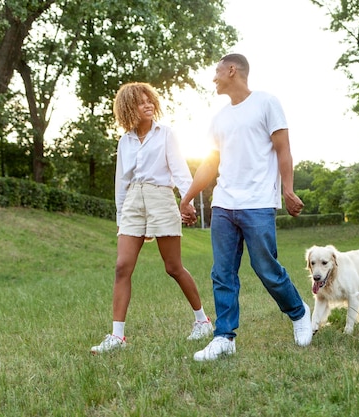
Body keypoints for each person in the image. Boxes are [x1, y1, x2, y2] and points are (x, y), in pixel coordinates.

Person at [179, 54, 312, 361]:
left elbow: (284, 150)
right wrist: (186, 197)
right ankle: (224, 337)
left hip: (258, 203)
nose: (213, 78)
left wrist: (288, 190)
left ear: (232, 70)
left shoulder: (266, 103)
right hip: (224, 204)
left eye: (216, 72)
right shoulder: (219, 119)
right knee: (222, 273)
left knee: (265, 267)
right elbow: (209, 164)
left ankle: (298, 311)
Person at [90, 82, 213, 354]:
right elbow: (121, 182)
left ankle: (202, 320)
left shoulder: (166, 134)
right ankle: (117, 336)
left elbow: (179, 170)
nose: (147, 105)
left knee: (173, 267)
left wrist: (187, 199)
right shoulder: (125, 141)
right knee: (122, 266)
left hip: (160, 198)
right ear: (128, 108)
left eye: (149, 100)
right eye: (139, 102)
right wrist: (121, 216)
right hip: (133, 201)